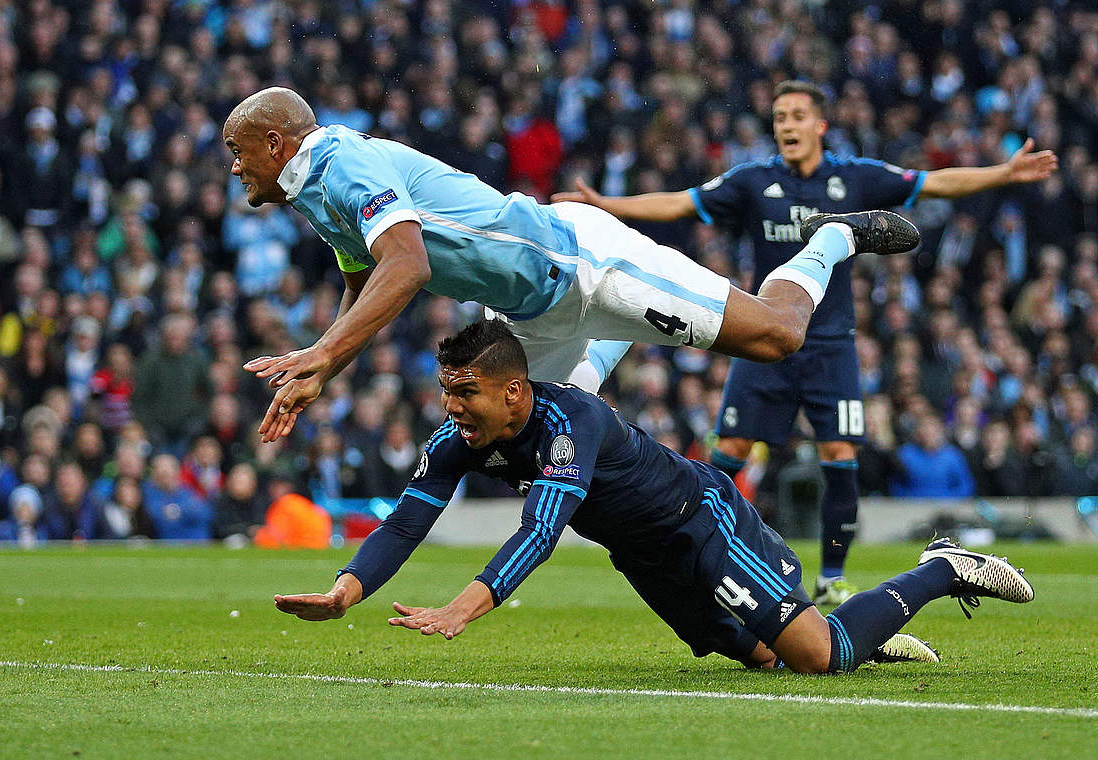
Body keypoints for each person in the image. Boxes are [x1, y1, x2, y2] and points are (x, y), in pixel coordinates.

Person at [274, 320, 1033, 673]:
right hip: (644, 559)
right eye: (445, 392)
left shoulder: (572, 422)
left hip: (702, 525)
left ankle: (941, 569)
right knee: (765, 659)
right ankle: (867, 637)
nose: (451, 408)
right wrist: (348, 590)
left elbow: (542, 531)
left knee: (816, 657)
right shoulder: (464, 438)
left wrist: (460, 609)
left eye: (464, 393)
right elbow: (408, 519)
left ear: (513, 391)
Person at [553, 80, 1057, 605]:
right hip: (763, 337)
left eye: (796, 116)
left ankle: (831, 577)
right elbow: (681, 203)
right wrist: (603, 202)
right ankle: (696, 551)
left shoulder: (855, 177)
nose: (786, 126)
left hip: (830, 344)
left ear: (820, 125)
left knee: (840, 453)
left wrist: (1003, 172)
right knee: (730, 450)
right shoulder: (753, 181)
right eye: (779, 118)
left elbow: (932, 184)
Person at [223, 87, 921, 444]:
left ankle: (830, 239)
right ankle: (614, 341)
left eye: (237, 148)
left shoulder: (344, 163)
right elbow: (363, 279)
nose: (233, 164)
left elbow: (404, 265)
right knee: (518, 447)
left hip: (583, 261)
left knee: (776, 337)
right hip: (530, 311)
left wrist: (320, 351)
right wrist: (325, 370)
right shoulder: (311, 192)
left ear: (277, 142)